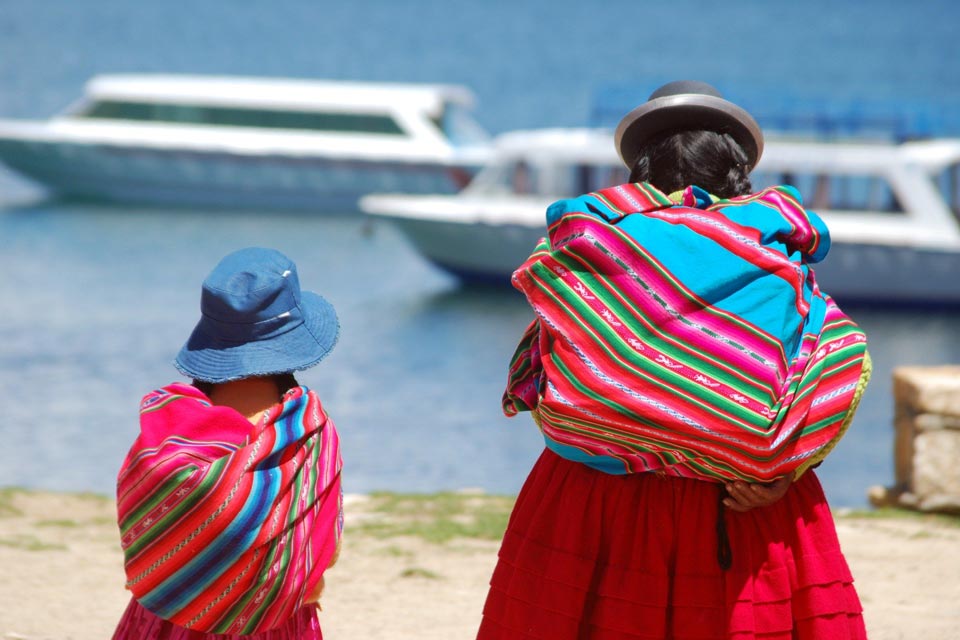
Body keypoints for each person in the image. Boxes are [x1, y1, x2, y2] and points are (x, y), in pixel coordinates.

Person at [477, 81, 872, 640]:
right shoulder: (776, 256)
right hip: (744, 506)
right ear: (736, 171)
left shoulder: (591, 248)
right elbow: (828, 361)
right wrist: (781, 467)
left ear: (641, 170)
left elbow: (553, 368)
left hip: (595, 505)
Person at [112, 247, 343, 640]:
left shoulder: (170, 427)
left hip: (167, 617)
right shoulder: (307, 430)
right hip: (272, 623)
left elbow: (140, 524)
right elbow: (326, 547)